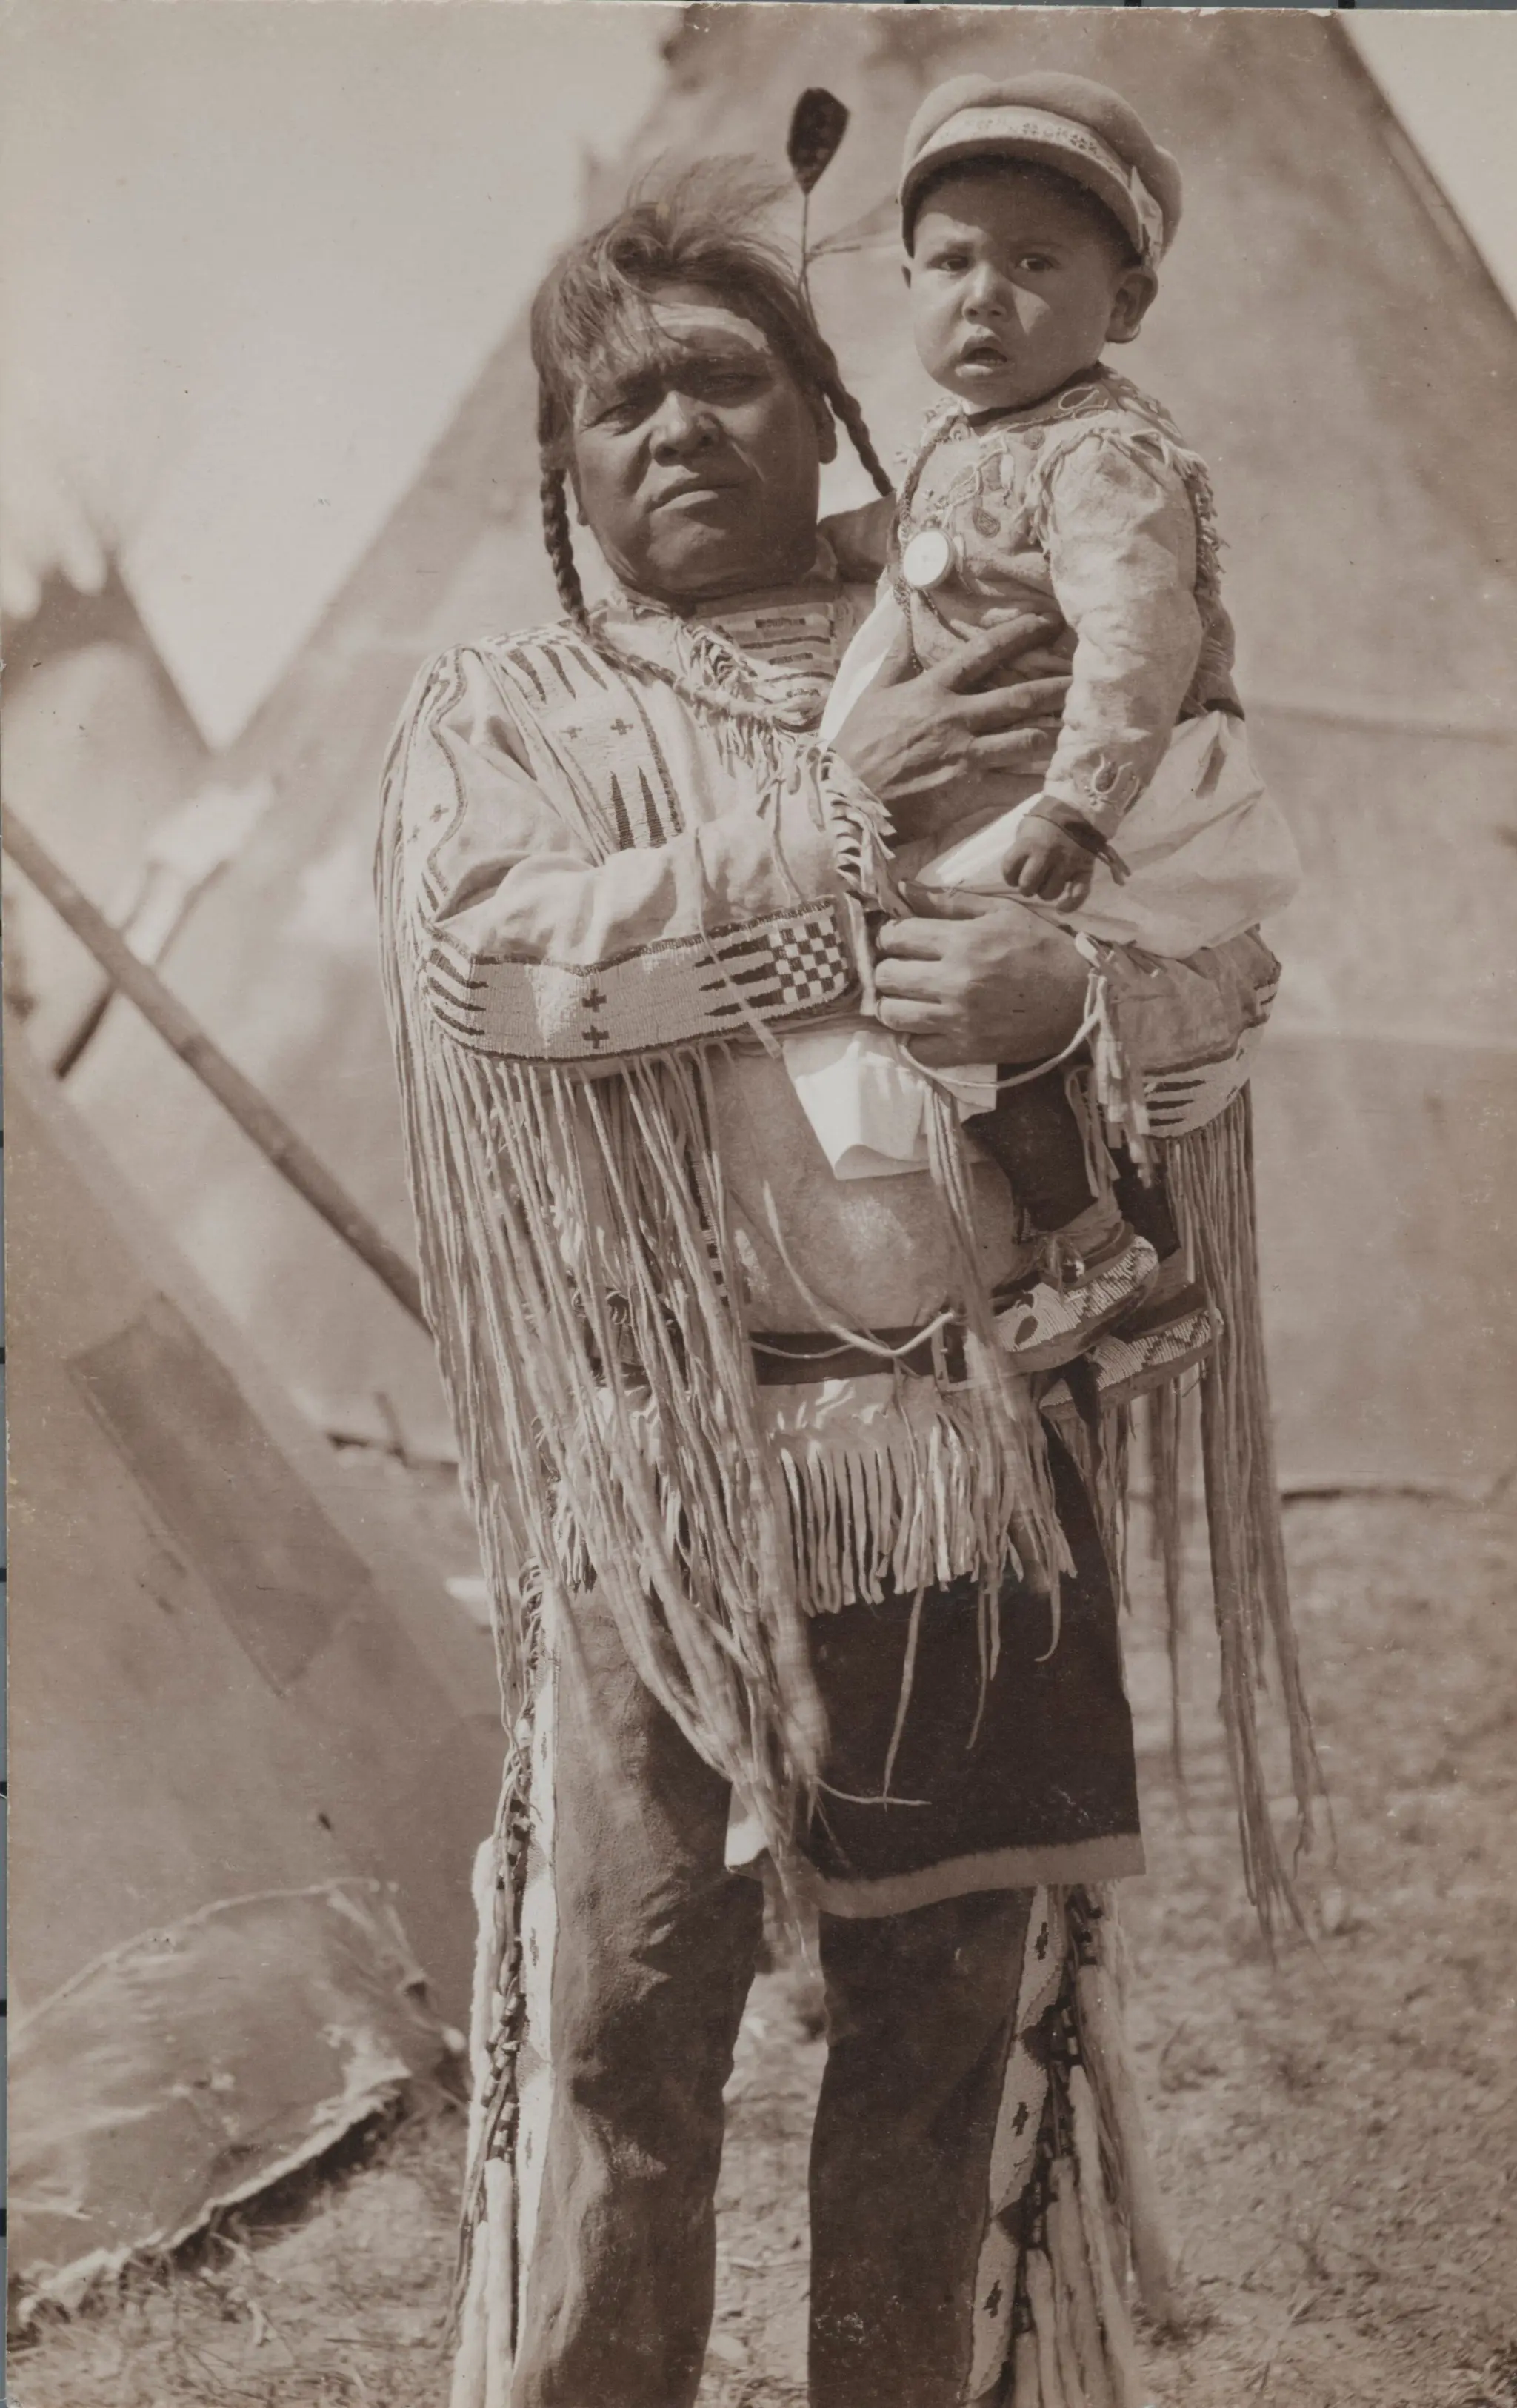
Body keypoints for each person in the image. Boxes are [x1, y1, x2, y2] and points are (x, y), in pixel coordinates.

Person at [377, 165, 1310, 2408]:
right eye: (622, 406)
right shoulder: (513, 704)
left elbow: (1226, 961)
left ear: (828, 414)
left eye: (727, 379)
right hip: (669, 1469)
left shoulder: (1006, 630)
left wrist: (1057, 990)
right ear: (564, 472)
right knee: (623, 2030)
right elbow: (494, 973)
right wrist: (827, 826)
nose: (678, 430)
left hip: (978, 1451)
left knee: (942, 2039)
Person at [784, 72, 1301, 1390]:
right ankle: (1100, 1274)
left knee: (987, 998)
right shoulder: (967, 440)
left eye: (1033, 263)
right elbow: (905, 543)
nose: (983, 295)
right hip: (1020, 788)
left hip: (1114, 792)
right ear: (905, 281)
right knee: (946, 1009)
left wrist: (1079, 802)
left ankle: (1109, 1251)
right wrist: (807, 543)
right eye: (948, 261)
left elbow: (1140, 639)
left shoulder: (1100, 456)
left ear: (1120, 306)